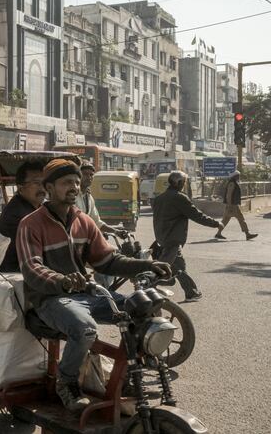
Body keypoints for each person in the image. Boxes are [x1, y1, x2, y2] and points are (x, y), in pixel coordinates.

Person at [17, 158, 171, 412]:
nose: (74, 187)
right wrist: (63, 281)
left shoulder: (84, 221)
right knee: (85, 327)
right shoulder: (31, 224)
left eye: (77, 182)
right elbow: (32, 269)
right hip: (49, 299)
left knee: (141, 310)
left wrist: (146, 265)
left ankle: (128, 376)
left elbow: (107, 260)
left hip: (87, 294)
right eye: (67, 182)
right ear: (50, 188)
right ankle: (66, 383)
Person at [152, 170, 223, 301]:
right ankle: (151, 286)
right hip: (173, 239)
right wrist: (215, 224)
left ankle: (189, 291)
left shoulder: (159, 198)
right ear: (179, 183)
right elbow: (196, 215)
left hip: (162, 237)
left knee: (178, 267)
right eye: (184, 182)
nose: (184, 184)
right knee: (171, 268)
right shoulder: (179, 198)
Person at [76, 162, 127, 287]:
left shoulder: (88, 197)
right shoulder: (72, 196)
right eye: (85, 174)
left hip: (85, 243)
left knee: (113, 255)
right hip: (74, 244)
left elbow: (97, 222)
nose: (89, 177)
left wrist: (116, 231)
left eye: (91, 175)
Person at [0, 161, 46, 272]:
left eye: (44, 183)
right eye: (36, 183)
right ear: (21, 188)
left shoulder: (35, 206)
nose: (42, 188)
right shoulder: (18, 213)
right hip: (14, 272)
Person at [215, 170, 258, 240]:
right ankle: (247, 234)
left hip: (231, 205)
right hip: (232, 206)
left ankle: (218, 233)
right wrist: (230, 205)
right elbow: (229, 195)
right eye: (238, 176)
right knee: (241, 219)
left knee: (225, 220)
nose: (239, 177)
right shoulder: (232, 183)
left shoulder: (233, 182)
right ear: (235, 176)